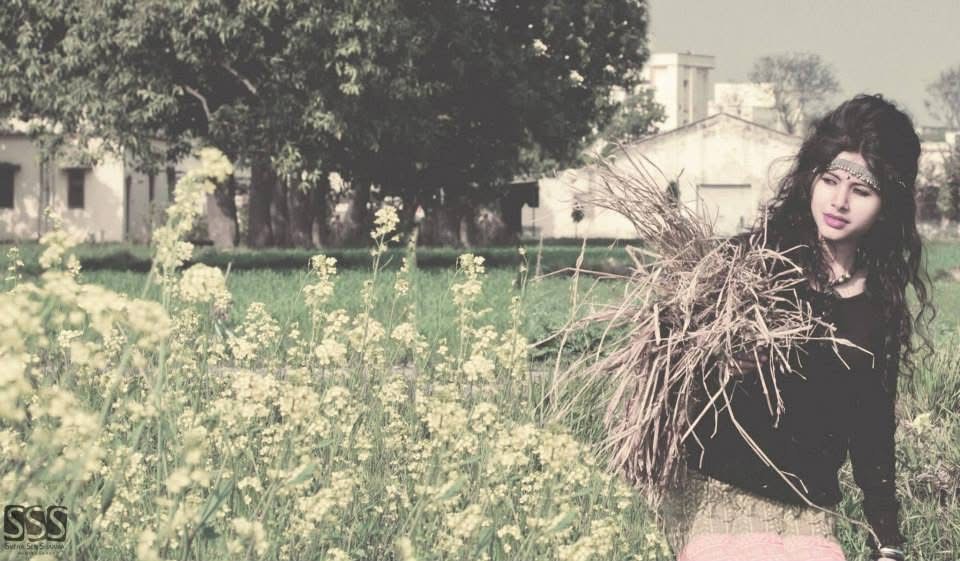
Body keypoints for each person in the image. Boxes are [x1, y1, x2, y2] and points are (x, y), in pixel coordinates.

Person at [660, 94, 935, 561]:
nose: (839, 202)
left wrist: (887, 537)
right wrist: (720, 358)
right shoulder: (750, 265)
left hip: (808, 512)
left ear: (887, 205)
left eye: (861, 192)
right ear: (811, 178)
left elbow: (872, 424)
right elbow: (671, 353)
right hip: (717, 499)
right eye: (830, 181)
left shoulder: (878, 307)